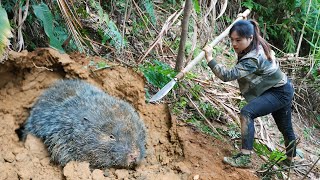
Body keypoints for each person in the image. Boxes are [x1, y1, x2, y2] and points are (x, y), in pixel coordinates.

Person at [203, 19, 297, 168]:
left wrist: (209, 58)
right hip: (282, 87)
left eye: (238, 40)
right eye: (232, 40)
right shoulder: (255, 42)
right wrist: (243, 22)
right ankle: (290, 161)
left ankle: (245, 158)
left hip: (279, 91)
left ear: (250, 38)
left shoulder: (253, 57)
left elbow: (227, 75)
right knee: (285, 128)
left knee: (247, 113)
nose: (234, 44)